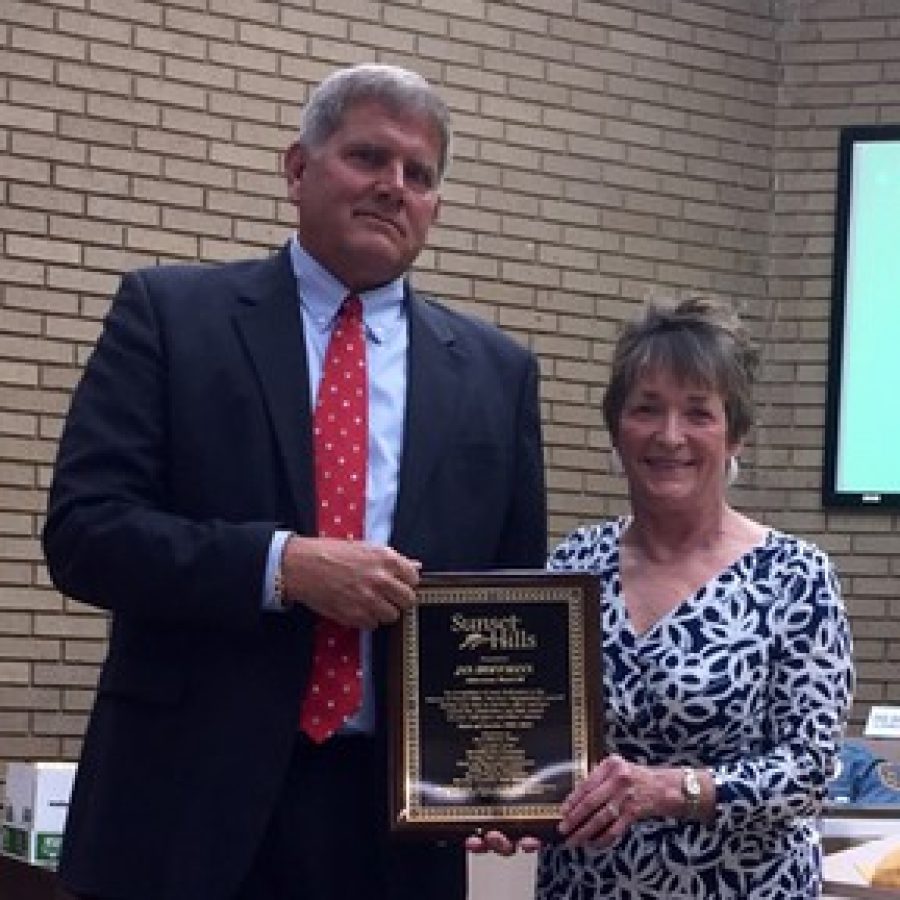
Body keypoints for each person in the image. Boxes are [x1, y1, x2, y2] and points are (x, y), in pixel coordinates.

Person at [42, 63, 547, 900]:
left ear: (435, 209)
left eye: (417, 175)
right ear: (296, 167)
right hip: (182, 806)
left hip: (392, 826)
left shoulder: (497, 375)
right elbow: (85, 535)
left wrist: (504, 776)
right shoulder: (170, 318)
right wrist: (281, 568)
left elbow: (508, 600)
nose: (392, 187)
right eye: (367, 158)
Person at [470, 295, 854, 898]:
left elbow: (809, 770)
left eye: (698, 413)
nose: (669, 436)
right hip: (588, 887)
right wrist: (494, 803)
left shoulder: (797, 577)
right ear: (617, 428)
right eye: (646, 409)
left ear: (736, 436)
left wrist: (670, 790)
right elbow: (528, 727)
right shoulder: (575, 564)